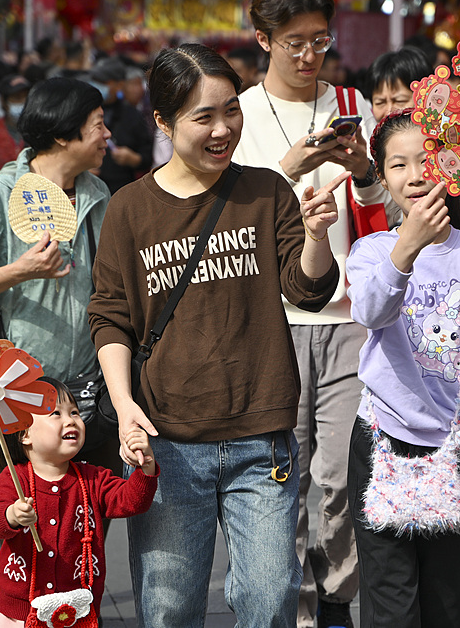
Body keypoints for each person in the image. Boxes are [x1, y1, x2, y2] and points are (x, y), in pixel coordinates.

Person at [88, 43, 343, 628]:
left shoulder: (267, 191)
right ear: (163, 121)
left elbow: (308, 292)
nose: (223, 128)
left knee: (267, 601)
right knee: (169, 608)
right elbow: (111, 316)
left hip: (263, 440)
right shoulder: (129, 209)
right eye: (203, 117)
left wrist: (314, 234)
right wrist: (125, 407)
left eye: (231, 110)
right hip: (167, 442)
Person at [233, 0, 391, 627]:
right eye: (293, 42)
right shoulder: (235, 113)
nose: (308, 56)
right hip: (271, 318)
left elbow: (388, 205)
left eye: (319, 40)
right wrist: (287, 169)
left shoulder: (355, 102)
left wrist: (365, 171)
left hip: (352, 316)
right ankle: (294, 609)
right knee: (281, 477)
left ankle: (337, 600)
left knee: (343, 476)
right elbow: (222, 214)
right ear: (262, 39)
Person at [345, 108, 460, 628]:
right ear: (382, 177)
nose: (416, 174)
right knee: (390, 604)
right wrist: (408, 246)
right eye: (399, 165)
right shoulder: (372, 250)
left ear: (453, 166)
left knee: (447, 606)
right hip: (385, 442)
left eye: (428, 159)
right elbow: (371, 310)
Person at [0, 76, 117, 478]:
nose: (107, 135)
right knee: (28, 525)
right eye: (97, 125)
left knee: (89, 516)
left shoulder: (98, 195)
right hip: (17, 392)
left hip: (89, 393)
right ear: (62, 134)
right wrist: (20, 271)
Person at [0, 377, 158, 628]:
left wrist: (146, 467)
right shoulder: (14, 479)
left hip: (76, 608)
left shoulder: (93, 478)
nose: (71, 420)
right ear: (25, 433)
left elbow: (131, 501)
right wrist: (11, 515)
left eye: (75, 412)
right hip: (18, 612)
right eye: (55, 413)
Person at [368, 47, 460, 243]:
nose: (390, 110)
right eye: (380, 101)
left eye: (399, 99)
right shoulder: (376, 154)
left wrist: (454, 250)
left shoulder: (458, 153)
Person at [88, 57, 153, 194]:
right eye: (96, 81)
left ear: (119, 85)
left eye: (104, 82)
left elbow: (147, 155)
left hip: (121, 189)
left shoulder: (132, 115)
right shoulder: (85, 111)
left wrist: (134, 159)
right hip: (90, 189)